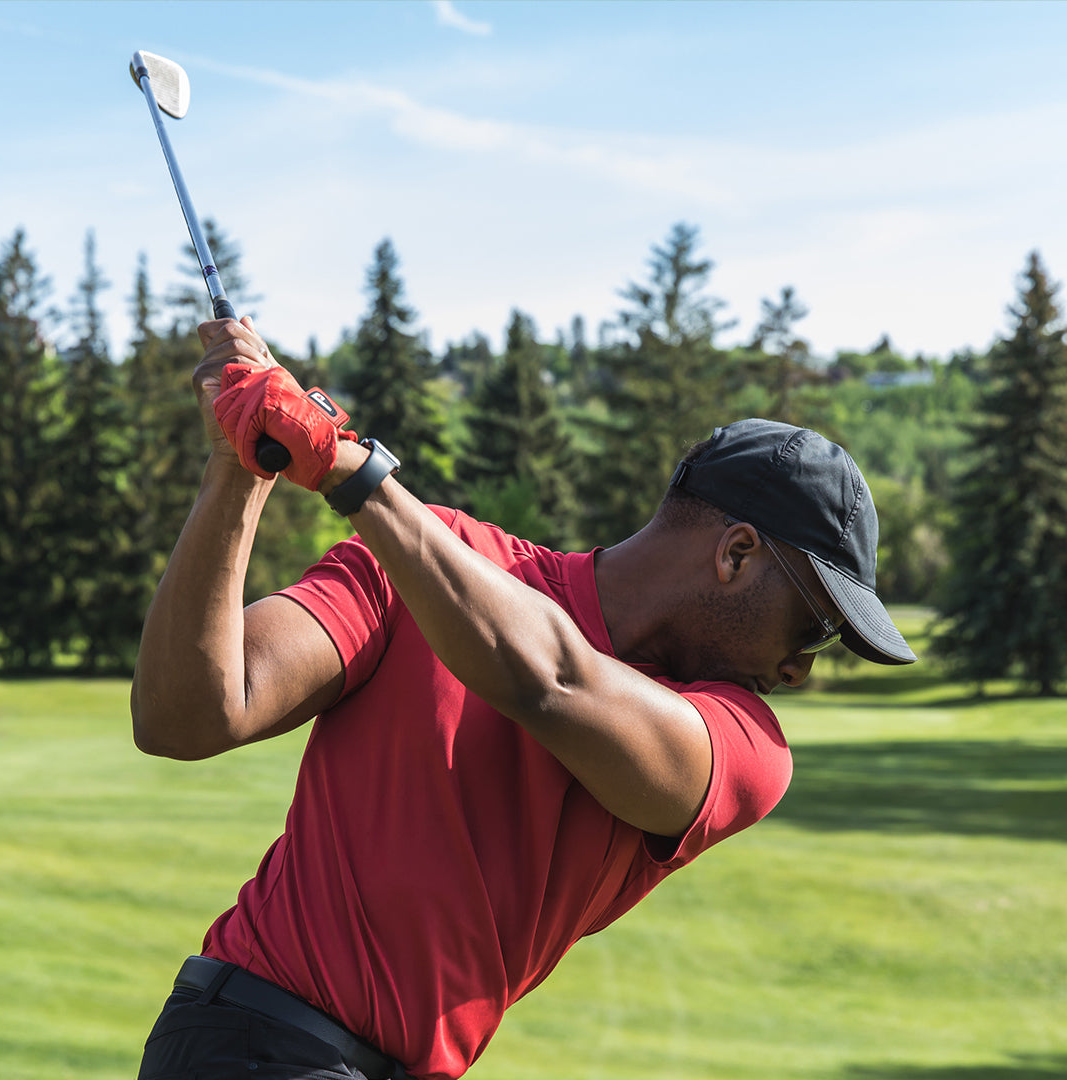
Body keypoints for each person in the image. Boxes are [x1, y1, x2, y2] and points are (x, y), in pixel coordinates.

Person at [132, 316, 916, 1080]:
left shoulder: (747, 747)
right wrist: (242, 461)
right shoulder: (426, 560)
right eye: (815, 628)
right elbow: (186, 716)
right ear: (737, 555)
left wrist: (350, 470)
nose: (799, 671)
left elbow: (552, 682)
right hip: (249, 1040)